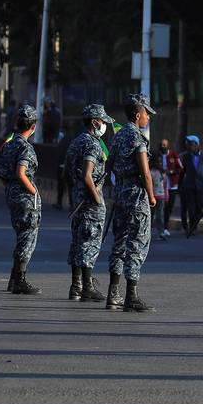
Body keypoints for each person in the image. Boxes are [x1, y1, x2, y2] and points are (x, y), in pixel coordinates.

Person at [107, 93, 157, 312]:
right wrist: (152, 196)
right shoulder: (138, 138)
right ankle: (131, 296)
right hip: (137, 195)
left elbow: (108, 165)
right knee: (136, 244)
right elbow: (145, 173)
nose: (148, 118)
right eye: (146, 114)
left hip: (120, 194)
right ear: (138, 115)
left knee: (119, 243)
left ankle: (113, 293)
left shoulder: (117, 137)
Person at [63, 104, 114, 302]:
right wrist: (96, 198)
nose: (104, 126)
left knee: (77, 242)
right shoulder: (92, 144)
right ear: (95, 122)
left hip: (77, 200)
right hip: (89, 202)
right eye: (102, 122)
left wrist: (73, 195)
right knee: (89, 244)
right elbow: (87, 175)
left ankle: (76, 286)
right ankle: (87, 286)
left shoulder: (75, 142)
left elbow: (66, 173)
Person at [0, 105, 42, 294]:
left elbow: (1, 172)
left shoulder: (9, 144)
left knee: (21, 235)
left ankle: (13, 279)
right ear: (33, 127)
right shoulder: (25, 147)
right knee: (27, 237)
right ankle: (20, 280)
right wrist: (33, 190)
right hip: (25, 196)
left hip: (11, 192)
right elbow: (21, 172)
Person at [178, 135, 203, 236]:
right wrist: (179, 184)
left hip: (200, 185)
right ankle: (192, 227)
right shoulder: (185, 156)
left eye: (190, 143)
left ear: (196, 144)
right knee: (191, 207)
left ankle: (194, 224)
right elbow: (182, 171)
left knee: (200, 206)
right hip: (188, 185)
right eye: (188, 143)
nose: (188, 145)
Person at [159, 139, 182, 238]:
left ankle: (166, 226)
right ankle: (162, 227)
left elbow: (180, 168)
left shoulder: (173, 155)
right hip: (160, 186)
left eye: (165, 145)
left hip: (172, 185)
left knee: (170, 207)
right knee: (162, 207)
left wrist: (171, 172)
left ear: (168, 145)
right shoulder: (157, 156)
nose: (163, 146)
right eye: (161, 145)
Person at [54, 127, 74, 210]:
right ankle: (72, 204)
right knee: (70, 186)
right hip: (70, 165)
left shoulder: (62, 141)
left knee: (61, 185)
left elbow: (58, 153)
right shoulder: (73, 140)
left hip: (62, 165)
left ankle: (59, 203)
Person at [150, 153, 169, 241]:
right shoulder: (151, 172)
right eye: (158, 161)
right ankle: (147, 232)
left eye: (161, 162)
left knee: (160, 215)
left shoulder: (162, 172)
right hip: (153, 197)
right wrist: (151, 196)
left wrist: (166, 196)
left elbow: (165, 185)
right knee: (150, 215)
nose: (160, 163)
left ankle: (161, 232)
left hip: (161, 196)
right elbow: (150, 185)